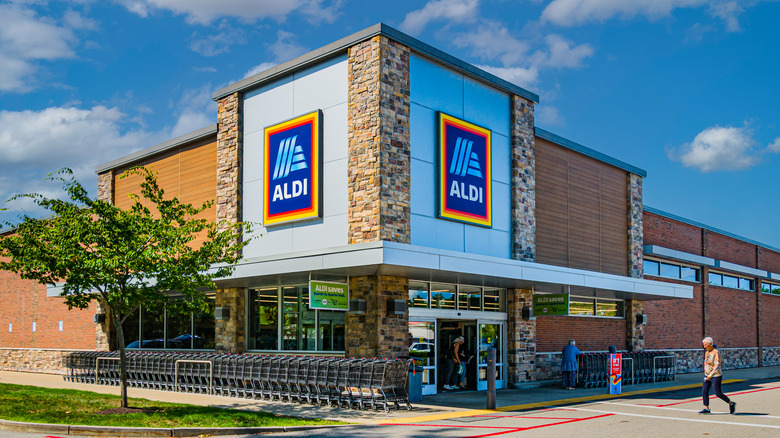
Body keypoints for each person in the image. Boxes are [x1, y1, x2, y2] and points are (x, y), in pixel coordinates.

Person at [699, 337, 736, 414]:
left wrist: (710, 375)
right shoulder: (707, 353)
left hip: (715, 375)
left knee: (718, 393)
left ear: (710, 344)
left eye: (705, 345)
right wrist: (706, 373)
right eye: (703, 345)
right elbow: (706, 363)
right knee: (704, 391)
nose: (704, 346)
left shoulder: (716, 352)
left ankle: (731, 403)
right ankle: (706, 408)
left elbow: (717, 365)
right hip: (707, 375)